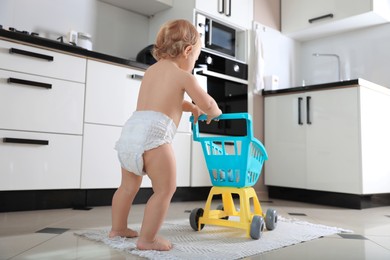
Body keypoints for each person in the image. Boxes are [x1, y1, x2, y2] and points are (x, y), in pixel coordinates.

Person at [109, 19, 222, 251]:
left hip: (131, 132)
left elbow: (163, 100)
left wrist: (189, 106)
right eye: (196, 57)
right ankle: (147, 239)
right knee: (165, 190)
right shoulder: (185, 77)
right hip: (154, 136)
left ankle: (118, 228)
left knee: (127, 187)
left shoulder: (151, 71)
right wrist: (214, 112)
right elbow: (208, 102)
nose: (194, 62)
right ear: (188, 51)